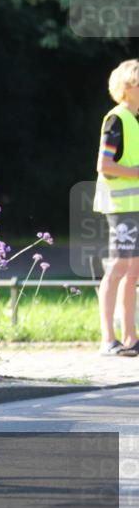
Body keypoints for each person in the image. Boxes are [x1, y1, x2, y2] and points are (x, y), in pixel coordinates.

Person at [94, 59, 139, 357]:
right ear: (128, 87)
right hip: (121, 207)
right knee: (118, 268)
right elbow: (104, 164)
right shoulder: (117, 119)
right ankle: (107, 339)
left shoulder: (132, 119)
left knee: (133, 271)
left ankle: (130, 339)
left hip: (133, 205)